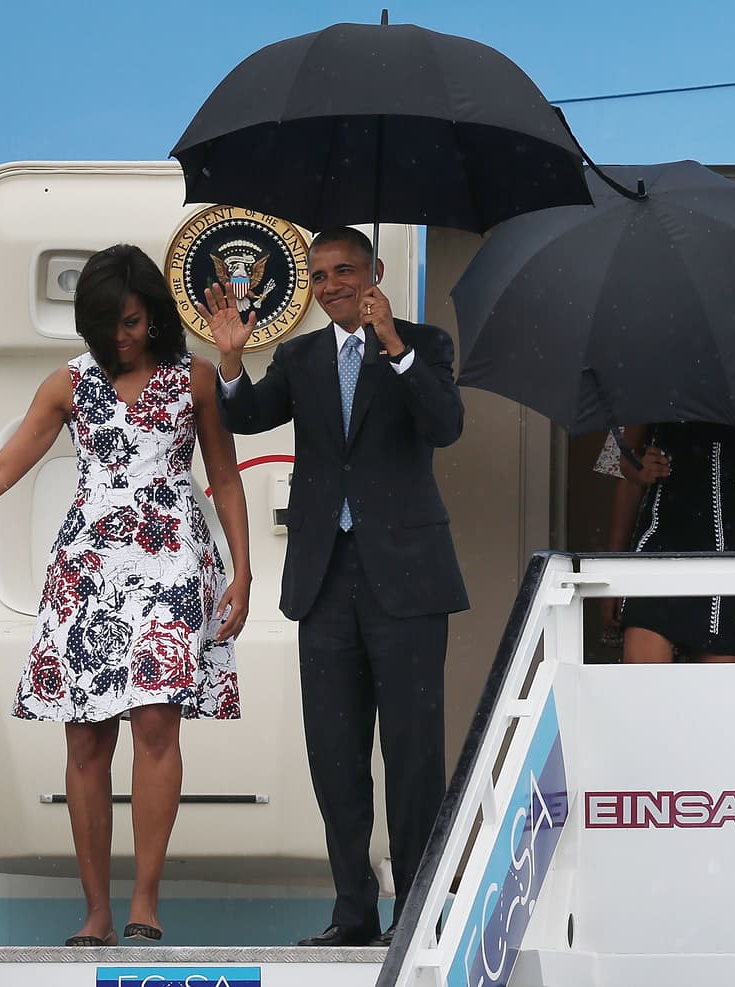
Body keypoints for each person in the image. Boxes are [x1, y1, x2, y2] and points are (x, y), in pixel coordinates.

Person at [0, 244, 251, 946]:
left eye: (132, 321)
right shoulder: (68, 383)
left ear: (154, 314)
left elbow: (227, 478)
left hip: (171, 566)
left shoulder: (197, 378)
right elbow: (1, 472)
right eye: (107, 324)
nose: (121, 336)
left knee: (157, 729)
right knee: (86, 739)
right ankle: (96, 911)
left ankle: (145, 904)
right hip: (86, 571)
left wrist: (243, 572)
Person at [198, 227, 468, 948]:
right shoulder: (301, 356)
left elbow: (445, 425)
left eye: (344, 270)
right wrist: (232, 360)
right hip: (323, 580)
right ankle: (353, 914)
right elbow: (247, 416)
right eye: (319, 276)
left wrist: (395, 346)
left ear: (374, 271)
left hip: (406, 580)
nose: (331, 285)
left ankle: (416, 914)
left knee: (412, 755)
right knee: (336, 755)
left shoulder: (424, 344)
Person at [594, 404, 735, 644]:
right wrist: (613, 570)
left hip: (733, 541)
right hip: (663, 537)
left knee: (721, 663)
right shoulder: (648, 382)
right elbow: (627, 462)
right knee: (643, 659)